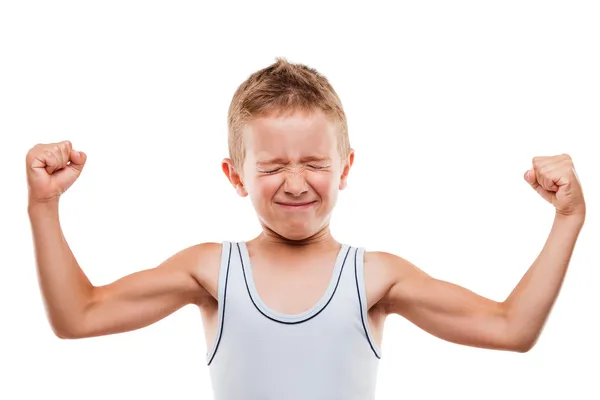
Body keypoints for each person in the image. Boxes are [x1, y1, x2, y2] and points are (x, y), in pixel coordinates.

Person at [26, 57, 586, 400]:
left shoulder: (375, 276)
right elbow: (79, 316)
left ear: (345, 167)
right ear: (235, 175)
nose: (295, 183)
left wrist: (568, 219)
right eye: (272, 166)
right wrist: (43, 206)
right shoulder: (210, 270)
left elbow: (511, 328)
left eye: (315, 164)